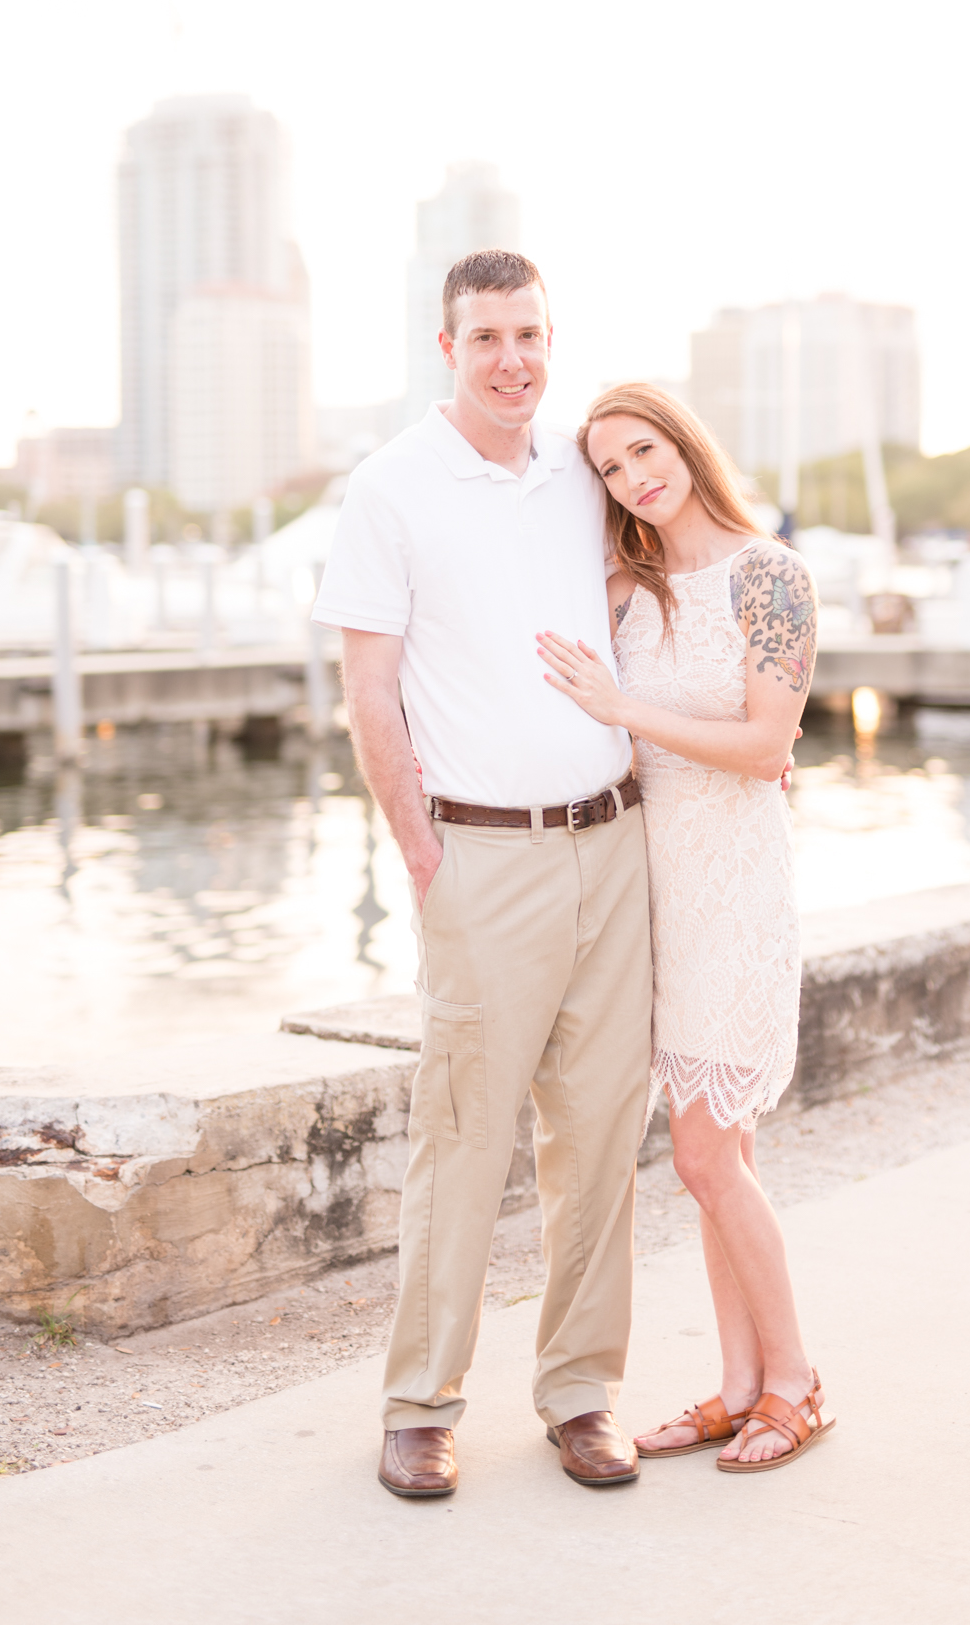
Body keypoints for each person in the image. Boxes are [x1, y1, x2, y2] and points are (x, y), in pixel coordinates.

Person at [312, 252, 653, 1499]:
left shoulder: (581, 467)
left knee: (602, 1129)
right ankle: (419, 1402)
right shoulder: (392, 486)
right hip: (481, 856)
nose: (512, 356)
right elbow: (368, 687)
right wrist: (419, 851)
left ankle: (579, 1391)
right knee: (462, 1136)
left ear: (549, 338)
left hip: (614, 843)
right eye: (486, 335)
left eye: (529, 332)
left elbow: (656, 597)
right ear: (444, 344)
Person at [537, 382, 834, 1475]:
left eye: (643, 451)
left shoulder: (772, 576)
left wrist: (622, 710)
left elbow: (765, 746)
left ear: (684, 445)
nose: (631, 478)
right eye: (609, 468)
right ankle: (741, 1382)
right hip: (650, 895)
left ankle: (796, 1380)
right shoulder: (628, 588)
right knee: (719, 1156)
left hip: (735, 890)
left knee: (707, 1157)